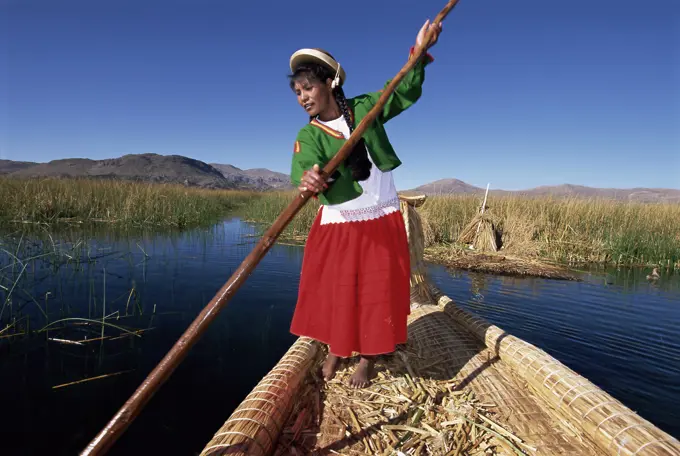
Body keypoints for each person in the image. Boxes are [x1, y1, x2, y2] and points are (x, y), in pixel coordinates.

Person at [287, 20, 442, 388]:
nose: (303, 96)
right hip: (339, 222)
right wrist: (309, 178)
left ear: (330, 83)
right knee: (338, 289)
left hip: (379, 215)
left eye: (308, 87)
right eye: (296, 91)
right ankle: (338, 348)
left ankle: (369, 358)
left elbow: (401, 89)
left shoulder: (365, 108)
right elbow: (304, 167)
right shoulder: (308, 134)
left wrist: (418, 51)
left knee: (375, 290)